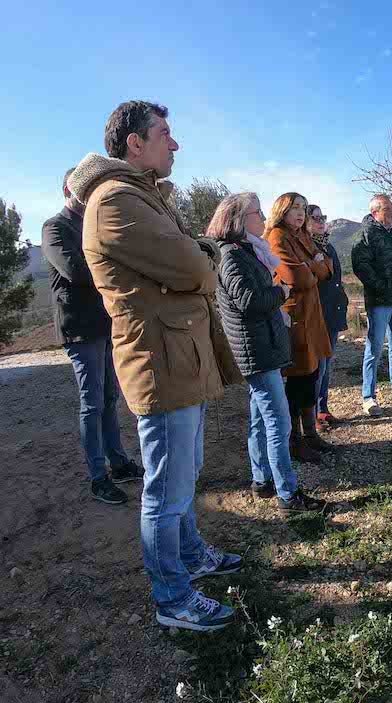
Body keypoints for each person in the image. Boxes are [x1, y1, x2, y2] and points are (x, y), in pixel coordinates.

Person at [67, 100, 243, 631]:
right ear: (133, 143)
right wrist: (200, 263)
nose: (176, 143)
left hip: (177, 358)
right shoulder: (116, 200)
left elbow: (191, 264)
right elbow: (194, 265)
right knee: (165, 491)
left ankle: (190, 556)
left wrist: (196, 265)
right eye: (165, 133)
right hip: (159, 362)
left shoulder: (145, 197)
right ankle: (172, 598)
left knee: (182, 478)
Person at [208, 193, 328, 514]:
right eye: (256, 212)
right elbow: (249, 301)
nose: (262, 217)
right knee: (279, 422)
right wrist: (282, 292)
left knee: (261, 418)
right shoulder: (232, 257)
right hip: (256, 350)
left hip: (261, 346)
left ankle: (262, 479)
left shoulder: (246, 251)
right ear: (237, 220)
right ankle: (288, 495)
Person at [41, 168, 144, 505]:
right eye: (83, 188)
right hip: (80, 327)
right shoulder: (54, 227)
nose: (89, 194)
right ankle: (98, 478)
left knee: (110, 398)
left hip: (103, 323)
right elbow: (74, 271)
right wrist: (111, 264)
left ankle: (118, 463)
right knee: (92, 402)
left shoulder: (90, 225)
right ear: (68, 189)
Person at [263, 193, 335, 461]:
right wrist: (312, 267)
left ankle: (311, 435)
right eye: (295, 208)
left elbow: (328, 268)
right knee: (296, 379)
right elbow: (296, 278)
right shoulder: (277, 237)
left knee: (310, 376)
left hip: (311, 316)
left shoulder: (302, 236)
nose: (300, 213)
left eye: (303, 208)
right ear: (281, 209)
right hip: (295, 319)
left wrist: (312, 266)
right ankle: (295, 441)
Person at [351, 194, 392, 416]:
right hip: (380, 302)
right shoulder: (367, 234)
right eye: (387, 209)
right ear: (375, 212)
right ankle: (368, 397)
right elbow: (361, 266)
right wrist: (380, 287)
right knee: (374, 349)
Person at [307, 204, 348, 431]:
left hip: (332, 313)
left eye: (322, 217)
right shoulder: (304, 247)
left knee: (327, 365)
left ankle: (323, 409)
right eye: (315, 218)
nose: (321, 221)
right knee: (316, 368)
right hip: (315, 315)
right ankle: (312, 417)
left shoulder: (329, 247)